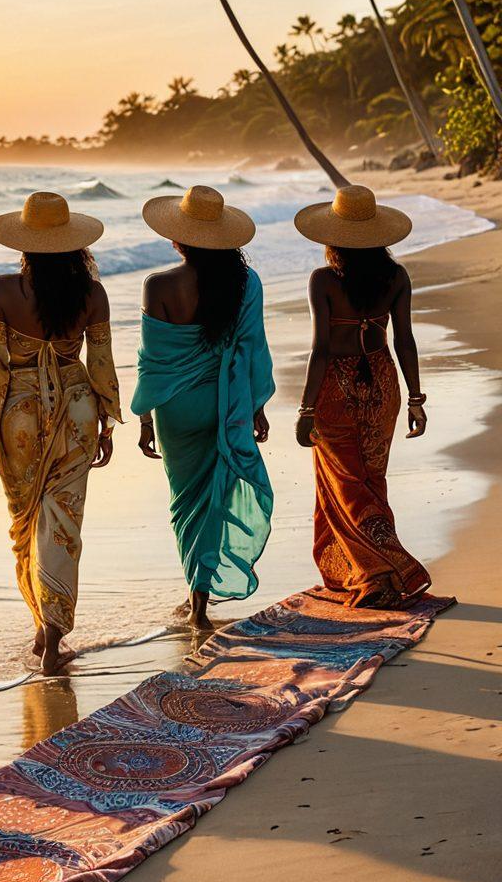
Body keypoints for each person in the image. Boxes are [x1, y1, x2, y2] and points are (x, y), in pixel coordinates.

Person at [0, 191, 121, 674]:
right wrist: (107, 423)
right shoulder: (93, 295)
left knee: (27, 523)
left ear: (25, 245)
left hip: (18, 415)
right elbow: (101, 365)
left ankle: (43, 626)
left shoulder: (2, 290)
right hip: (77, 410)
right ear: (77, 246)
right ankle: (50, 633)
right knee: (63, 522)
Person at [131, 185, 274, 631]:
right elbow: (251, 348)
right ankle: (200, 599)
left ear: (178, 239)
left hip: (175, 408)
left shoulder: (158, 285)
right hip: (226, 401)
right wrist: (255, 407)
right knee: (215, 497)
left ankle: (194, 597)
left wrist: (144, 418)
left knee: (184, 503)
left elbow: (152, 362)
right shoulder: (246, 284)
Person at [294, 183, 430, 608]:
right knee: (370, 480)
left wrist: (306, 408)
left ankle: (381, 573)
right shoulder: (396, 277)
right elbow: (404, 340)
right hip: (383, 383)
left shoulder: (323, 281)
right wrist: (415, 399)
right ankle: (382, 572)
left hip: (337, 385)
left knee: (345, 484)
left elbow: (322, 348)